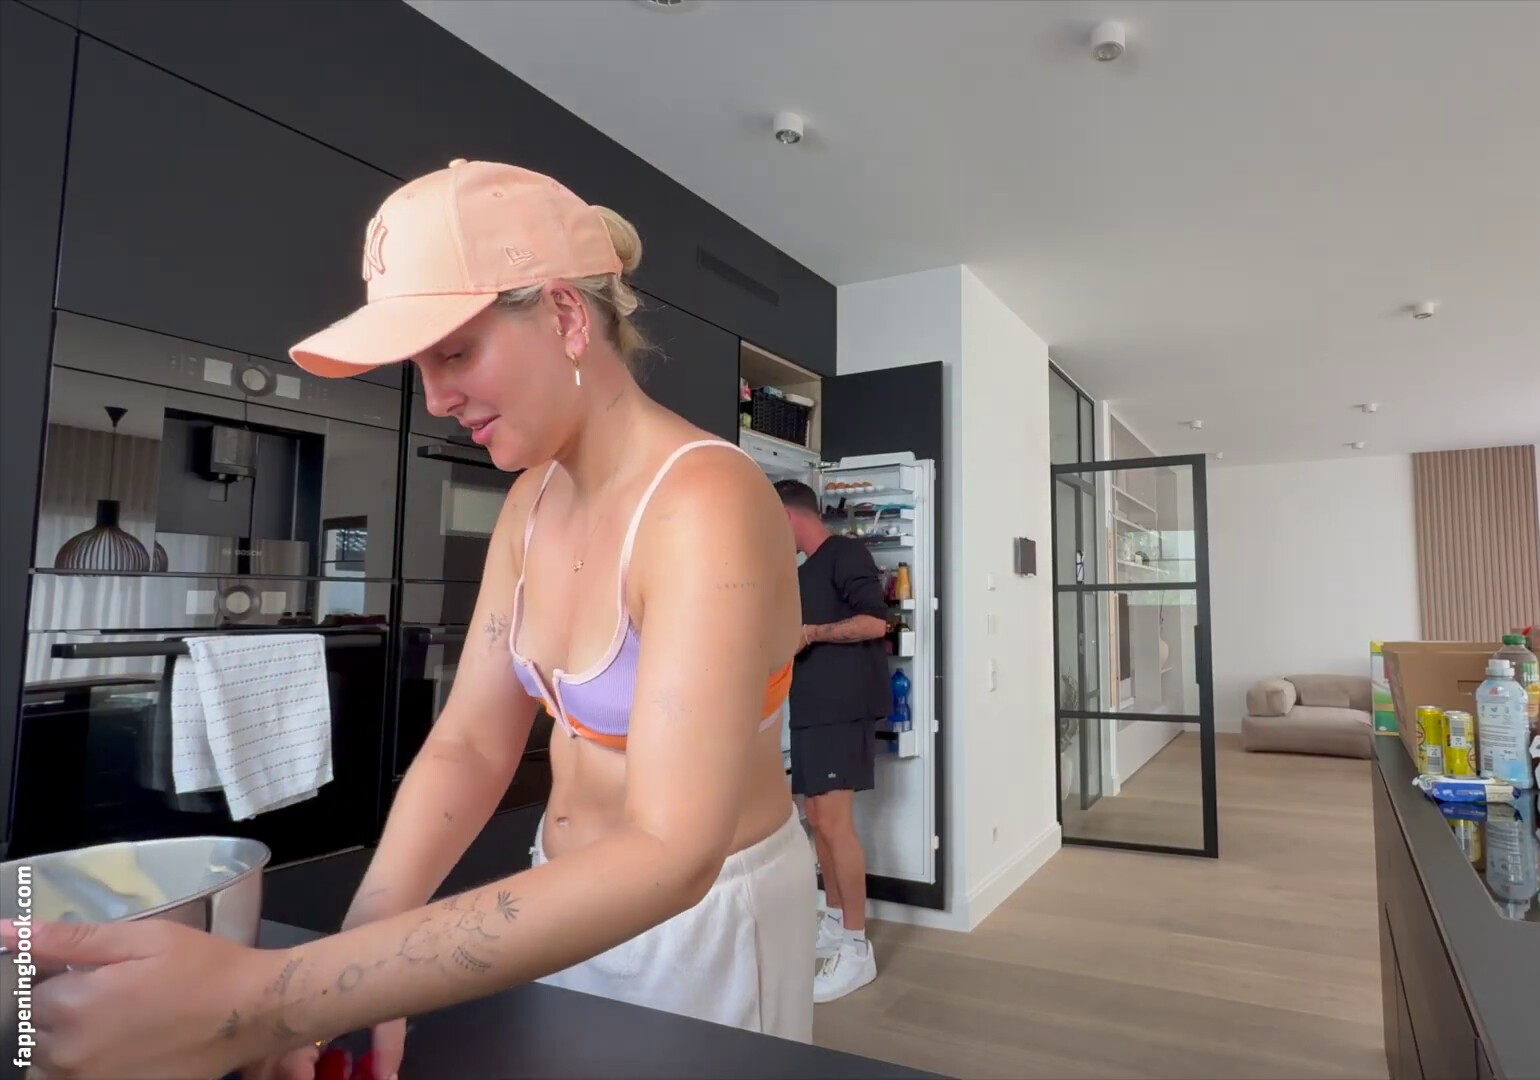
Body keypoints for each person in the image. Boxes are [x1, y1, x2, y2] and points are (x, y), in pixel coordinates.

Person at [5, 160, 816, 1080]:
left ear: (564, 315)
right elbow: (471, 742)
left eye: (455, 352)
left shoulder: (706, 500)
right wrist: (365, 947)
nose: (435, 398)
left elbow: (670, 852)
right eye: (420, 365)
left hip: (700, 925)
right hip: (559, 896)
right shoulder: (533, 501)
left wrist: (271, 999)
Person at [774, 480, 891, 1004]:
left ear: (788, 515)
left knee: (836, 825)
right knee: (818, 821)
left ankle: (856, 948)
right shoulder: (802, 573)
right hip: (810, 711)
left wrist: (812, 633)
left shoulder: (845, 552)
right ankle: (836, 920)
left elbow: (874, 622)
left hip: (843, 710)